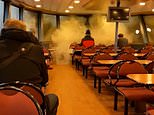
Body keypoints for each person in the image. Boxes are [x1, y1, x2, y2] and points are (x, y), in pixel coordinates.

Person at [0, 19, 59, 115]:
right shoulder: (36, 49)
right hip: (31, 104)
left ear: (4, 31)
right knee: (53, 98)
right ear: (24, 31)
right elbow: (45, 79)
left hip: (1, 107)